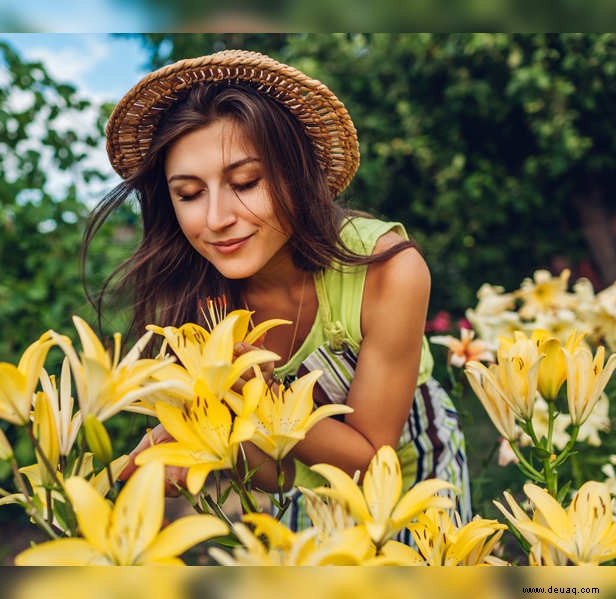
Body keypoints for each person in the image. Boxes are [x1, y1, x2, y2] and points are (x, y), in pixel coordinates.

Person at [85, 50, 471, 536]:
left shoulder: (389, 269)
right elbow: (280, 475)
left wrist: (258, 399)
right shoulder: (201, 307)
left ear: (296, 174)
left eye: (245, 182)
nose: (215, 219)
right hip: (310, 498)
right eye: (188, 193)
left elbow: (373, 462)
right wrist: (206, 437)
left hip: (418, 474)